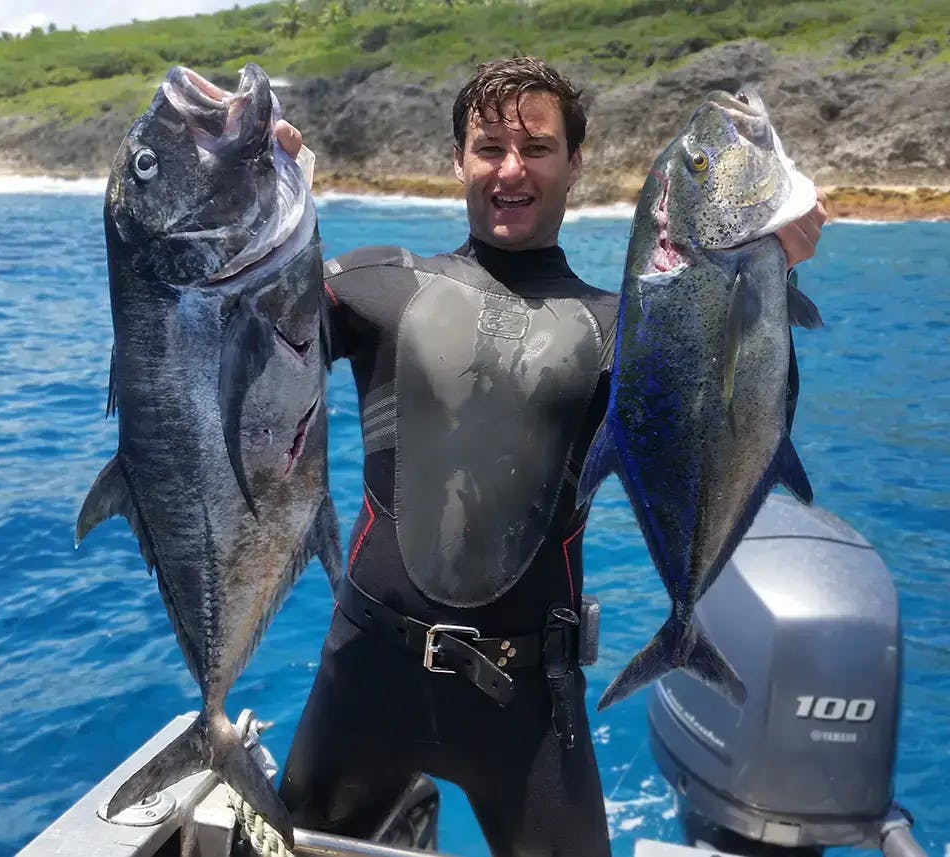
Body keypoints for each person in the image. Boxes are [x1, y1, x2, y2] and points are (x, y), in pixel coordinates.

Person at [271, 58, 826, 857]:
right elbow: (249, 344)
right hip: (366, 674)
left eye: (536, 148)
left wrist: (767, 280)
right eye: (488, 146)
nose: (510, 169)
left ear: (574, 167)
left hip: (528, 703)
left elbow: (734, 416)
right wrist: (260, 194)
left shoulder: (623, 332)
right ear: (457, 161)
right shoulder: (376, 287)